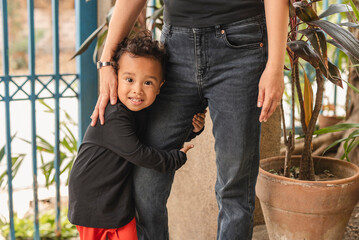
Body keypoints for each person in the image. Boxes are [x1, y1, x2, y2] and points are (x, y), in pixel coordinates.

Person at [91, 0, 288, 239]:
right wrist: (106, 60)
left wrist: (275, 66)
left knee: (234, 185)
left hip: (240, 47)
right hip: (176, 47)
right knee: (146, 185)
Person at [68, 32, 206, 240]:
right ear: (115, 77)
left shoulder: (140, 111)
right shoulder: (113, 115)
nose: (137, 90)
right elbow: (139, 153)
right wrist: (176, 159)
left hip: (116, 198)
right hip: (92, 200)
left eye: (148, 83)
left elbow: (155, 135)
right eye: (130, 79)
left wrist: (193, 130)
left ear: (160, 87)